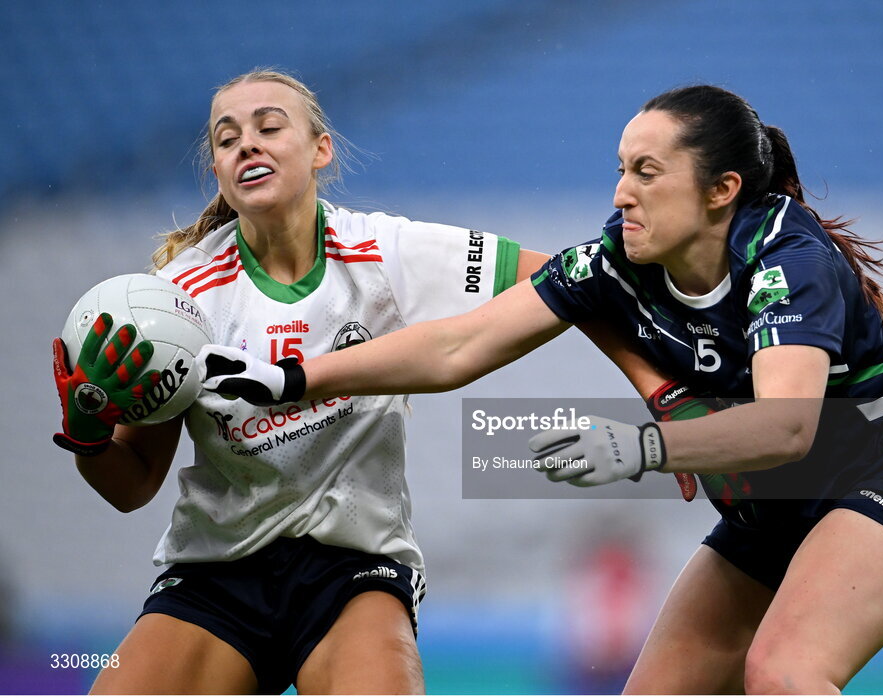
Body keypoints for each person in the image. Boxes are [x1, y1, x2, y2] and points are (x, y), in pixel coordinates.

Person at [200, 84, 883, 694]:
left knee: (783, 674)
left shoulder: (788, 260)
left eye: (646, 172)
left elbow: (785, 429)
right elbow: (458, 344)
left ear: (721, 189)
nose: (620, 194)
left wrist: (642, 444)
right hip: (776, 508)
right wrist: (293, 378)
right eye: (619, 169)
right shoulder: (618, 260)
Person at [50, 68, 593, 694]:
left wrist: (655, 389)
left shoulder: (382, 251)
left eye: (269, 127)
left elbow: (567, 280)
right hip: (216, 574)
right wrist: (89, 437)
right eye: (227, 140)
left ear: (320, 149)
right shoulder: (180, 300)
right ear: (221, 173)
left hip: (353, 571)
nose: (247, 145)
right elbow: (132, 485)